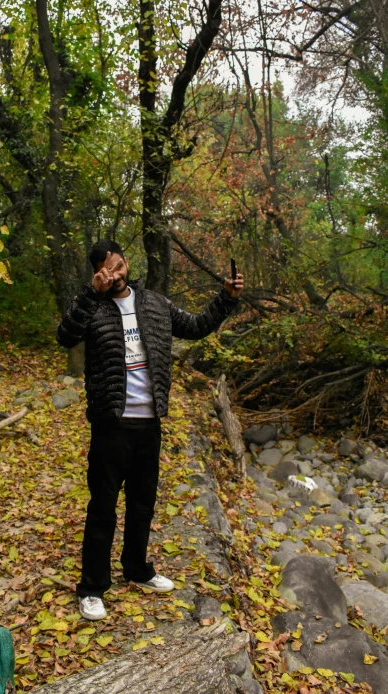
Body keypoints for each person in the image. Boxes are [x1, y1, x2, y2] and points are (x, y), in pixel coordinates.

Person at [56, 239, 244, 620]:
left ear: (127, 263)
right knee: (103, 507)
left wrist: (225, 298)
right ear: (97, 272)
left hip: (149, 422)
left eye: (120, 265)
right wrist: (92, 294)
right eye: (108, 270)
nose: (118, 273)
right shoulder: (92, 307)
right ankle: (92, 586)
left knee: (142, 503)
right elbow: (65, 336)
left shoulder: (155, 303)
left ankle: (138, 569)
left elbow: (194, 326)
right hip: (111, 424)